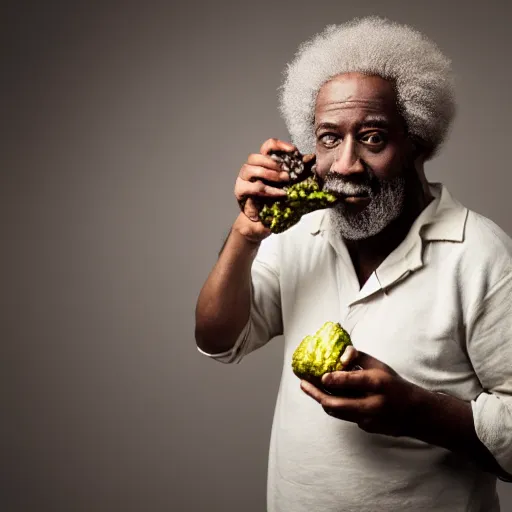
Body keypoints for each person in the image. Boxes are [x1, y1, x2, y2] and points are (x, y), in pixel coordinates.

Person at [194, 16, 512, 512]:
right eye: (328, 138)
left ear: (417, 142)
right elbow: (217, 339)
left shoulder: (481, 254)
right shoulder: (298, 232)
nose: (345, 165)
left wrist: (416, 411)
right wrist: (245, 234)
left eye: (373, 137)